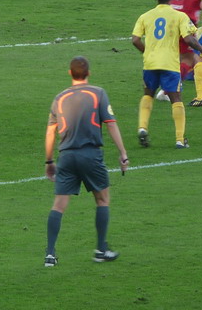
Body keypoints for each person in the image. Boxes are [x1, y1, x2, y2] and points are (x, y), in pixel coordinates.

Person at [44, 56, 129, 267]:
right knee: (102, 199)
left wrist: (49, 161)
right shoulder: (97, 93)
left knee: (59, 205)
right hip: (90, 155)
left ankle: (50, 254)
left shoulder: (59, 98)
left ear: (70, 73)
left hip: (66, 156)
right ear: (88, 73)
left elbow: (50, 132)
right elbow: (110, 124)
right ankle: (101, 249)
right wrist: (123, 153)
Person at [132, 0, 202, 149]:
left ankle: (142, 128)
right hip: (170, 64)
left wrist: (147, 53)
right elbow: (189, 40)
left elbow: (135, 40)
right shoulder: (179, 16)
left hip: (150, 63)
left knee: (148, 94)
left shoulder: (145, 16)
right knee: (175, 98)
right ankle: (180, 139)